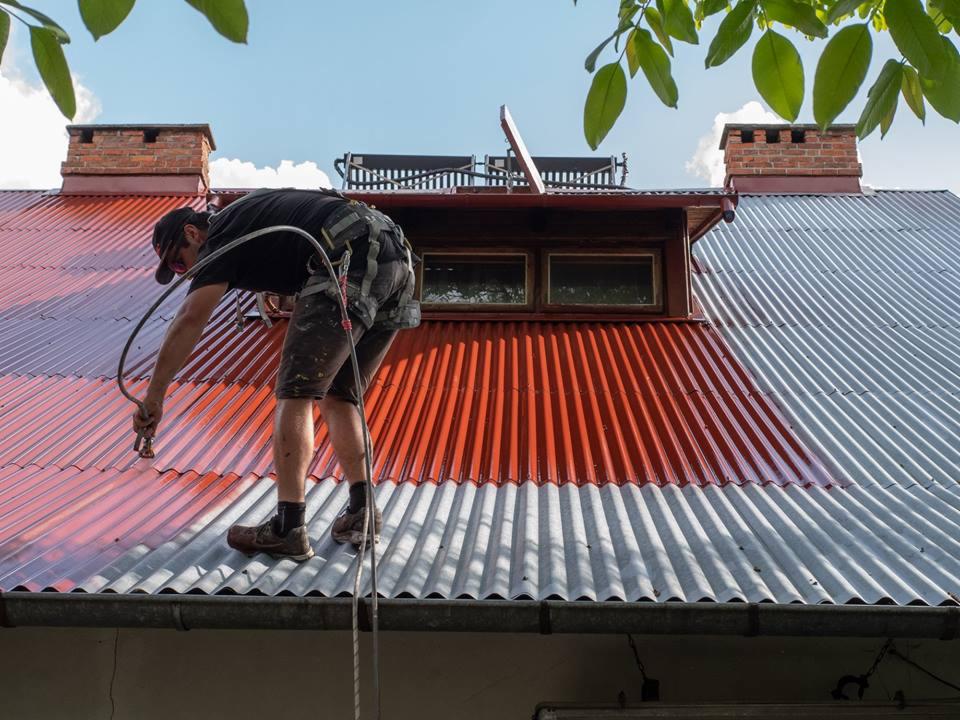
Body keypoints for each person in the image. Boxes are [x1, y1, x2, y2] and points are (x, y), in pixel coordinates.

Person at [133, 188, 419, 561]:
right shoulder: (249, 220)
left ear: (191, 233)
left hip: (349, 254)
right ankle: (362, 512)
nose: (186, 273)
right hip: (395, 260)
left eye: (178, 263)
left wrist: (154, 396)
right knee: (340, 395)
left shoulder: (221, 236)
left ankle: (289, 527)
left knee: (295, 392)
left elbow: (190, 318)